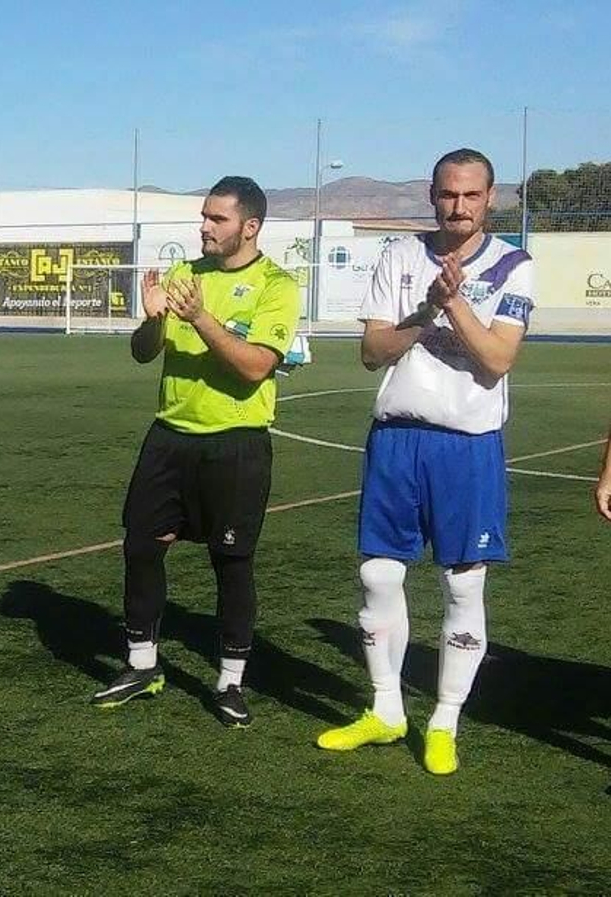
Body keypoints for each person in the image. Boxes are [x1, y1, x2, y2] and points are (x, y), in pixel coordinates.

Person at [316, 148, 535, 775]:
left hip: (466, 446)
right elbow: (371, 350)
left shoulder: (515, 266)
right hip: (396, 441)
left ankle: (444, 720)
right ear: (431, 196)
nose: (458, 207)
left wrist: (456, 305)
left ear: (490, 198)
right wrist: (427, 311)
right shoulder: (401, 256)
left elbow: (496, 360)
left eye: (471, 196)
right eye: (447, 195)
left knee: (462, 583)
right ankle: (386, 710)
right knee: (380, 576)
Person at [92, 176, 300, 728]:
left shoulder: (277, 285)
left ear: (249, 227)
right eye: (204, 217)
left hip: (236, 444)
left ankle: (230, 682)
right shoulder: (185, 273)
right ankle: (142, 666)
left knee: (231, 561)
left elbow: (257, 366)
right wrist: (154, 318)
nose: (204, 227)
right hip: (170, 437)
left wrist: (200, 317)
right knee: (141, 546)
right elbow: (143, 355)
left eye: (218, 220)